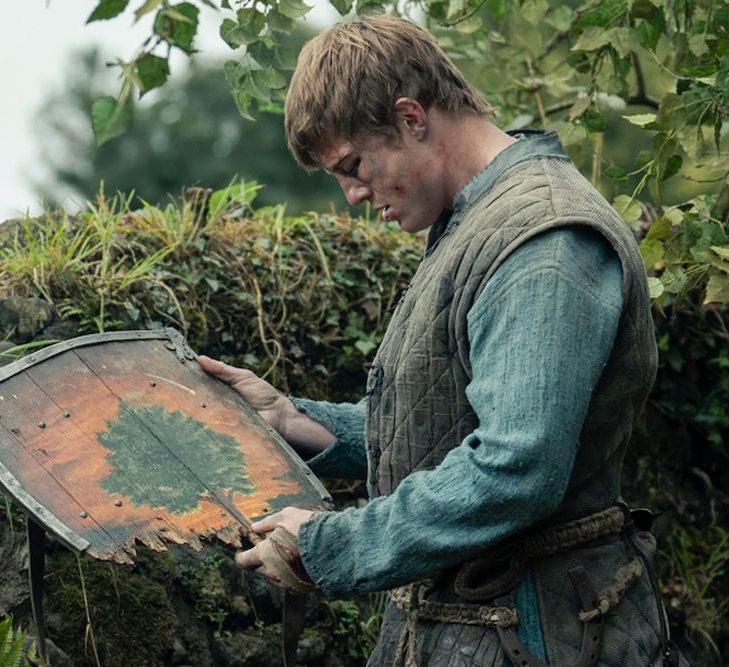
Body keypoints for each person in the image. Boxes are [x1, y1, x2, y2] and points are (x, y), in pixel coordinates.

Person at [197, 14, 683, 667]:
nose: (352, 195)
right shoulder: (477, 221)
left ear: (411, 118)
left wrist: (332, 545)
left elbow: (516, 467)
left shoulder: (544, 240)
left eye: (353, 165)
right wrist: (294, 421)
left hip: (540, 634)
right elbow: (449, 425)